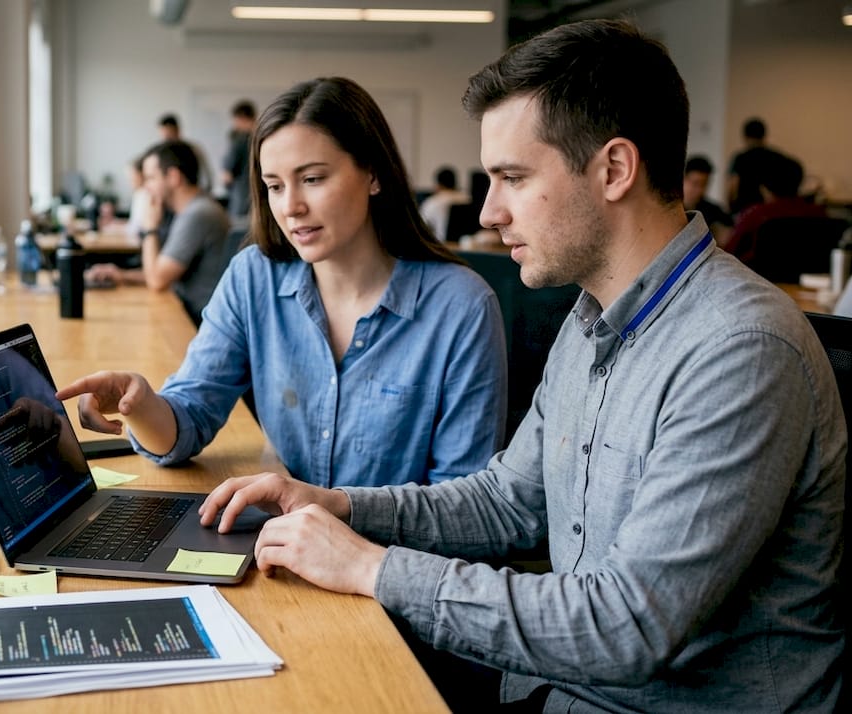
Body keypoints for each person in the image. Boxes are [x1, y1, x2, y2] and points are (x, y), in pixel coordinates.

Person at [199, 20, 845, 713]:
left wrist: (370, 566)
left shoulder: (740, 350)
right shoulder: (592, 318)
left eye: (513, 177)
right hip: (560, 688)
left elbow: (625, 628)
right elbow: (505, 501)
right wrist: (338, 505)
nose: (488, 210)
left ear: (614, 169)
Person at [58, 77, 508, 490]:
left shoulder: (460, 308)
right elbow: (190, 416)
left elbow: (463, 505)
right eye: (274, 186)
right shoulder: (254, 275)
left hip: (387, 566)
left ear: (372, 174)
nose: (290, 206)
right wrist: (139, 403)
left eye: (312, 179)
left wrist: (333, 524)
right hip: (288, 551)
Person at [85, 140, 231, 324]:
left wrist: (150, 228)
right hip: (185, 312)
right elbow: (162, 271)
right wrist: (121, 275)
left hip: (195, 322)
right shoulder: (192, 210)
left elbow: (157, 280)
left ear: (174, 177)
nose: (146, 187)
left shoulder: (198, 214)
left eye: (151, 178)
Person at [724, 152, 827, 265]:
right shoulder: (818, 212)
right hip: (808, 279)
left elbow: (727, 255)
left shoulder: (755, 214)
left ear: (764, 186)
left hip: (761, 279)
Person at [727, 117, 791, 216]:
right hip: (771, 212)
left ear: (745, 137)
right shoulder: (777, 157)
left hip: (745, 212)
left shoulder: (740, 158)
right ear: (764, 136)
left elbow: (732, 186)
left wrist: (730, 209)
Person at [682, 155, 733, 246]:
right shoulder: (671, 209)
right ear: (683, 180)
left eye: (704, 184)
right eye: (695, 183)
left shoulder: (714, 211)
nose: (699, 190)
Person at [157, 113, 213, 193]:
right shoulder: (159, 154)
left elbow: (206, 177)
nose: (166, 139)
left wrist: (201, 193)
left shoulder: (193, 149)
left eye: (169, 135)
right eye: (164, 135)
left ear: (177, 130)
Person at [220, 99, 256, 226]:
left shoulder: (239, 141)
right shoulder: (263, 138)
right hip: (259, 197)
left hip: (241, 200)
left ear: (241, 118)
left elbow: (227, 176)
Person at [418, 166, 469, 241]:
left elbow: (420, 228)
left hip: (441, 246)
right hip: (466, 246)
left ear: (438, 184)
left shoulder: (432, 202)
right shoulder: (467, 198)